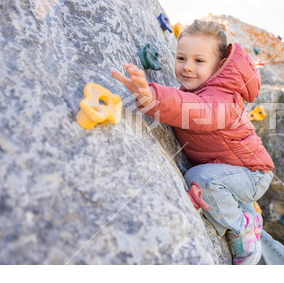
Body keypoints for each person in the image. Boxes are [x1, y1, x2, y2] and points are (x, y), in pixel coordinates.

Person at [112, 20, 274, 265]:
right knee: (203, 176)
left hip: (252, 174)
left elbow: (196, 110)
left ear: (219, 65)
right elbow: (183, 102)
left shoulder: (222, 99)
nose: (187, 67)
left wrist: (152, 96)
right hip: (232, 170)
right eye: (181, 58)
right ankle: (248, 211)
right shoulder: (197, 89)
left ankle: (243, 229)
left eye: (199, 61)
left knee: (200, 180)